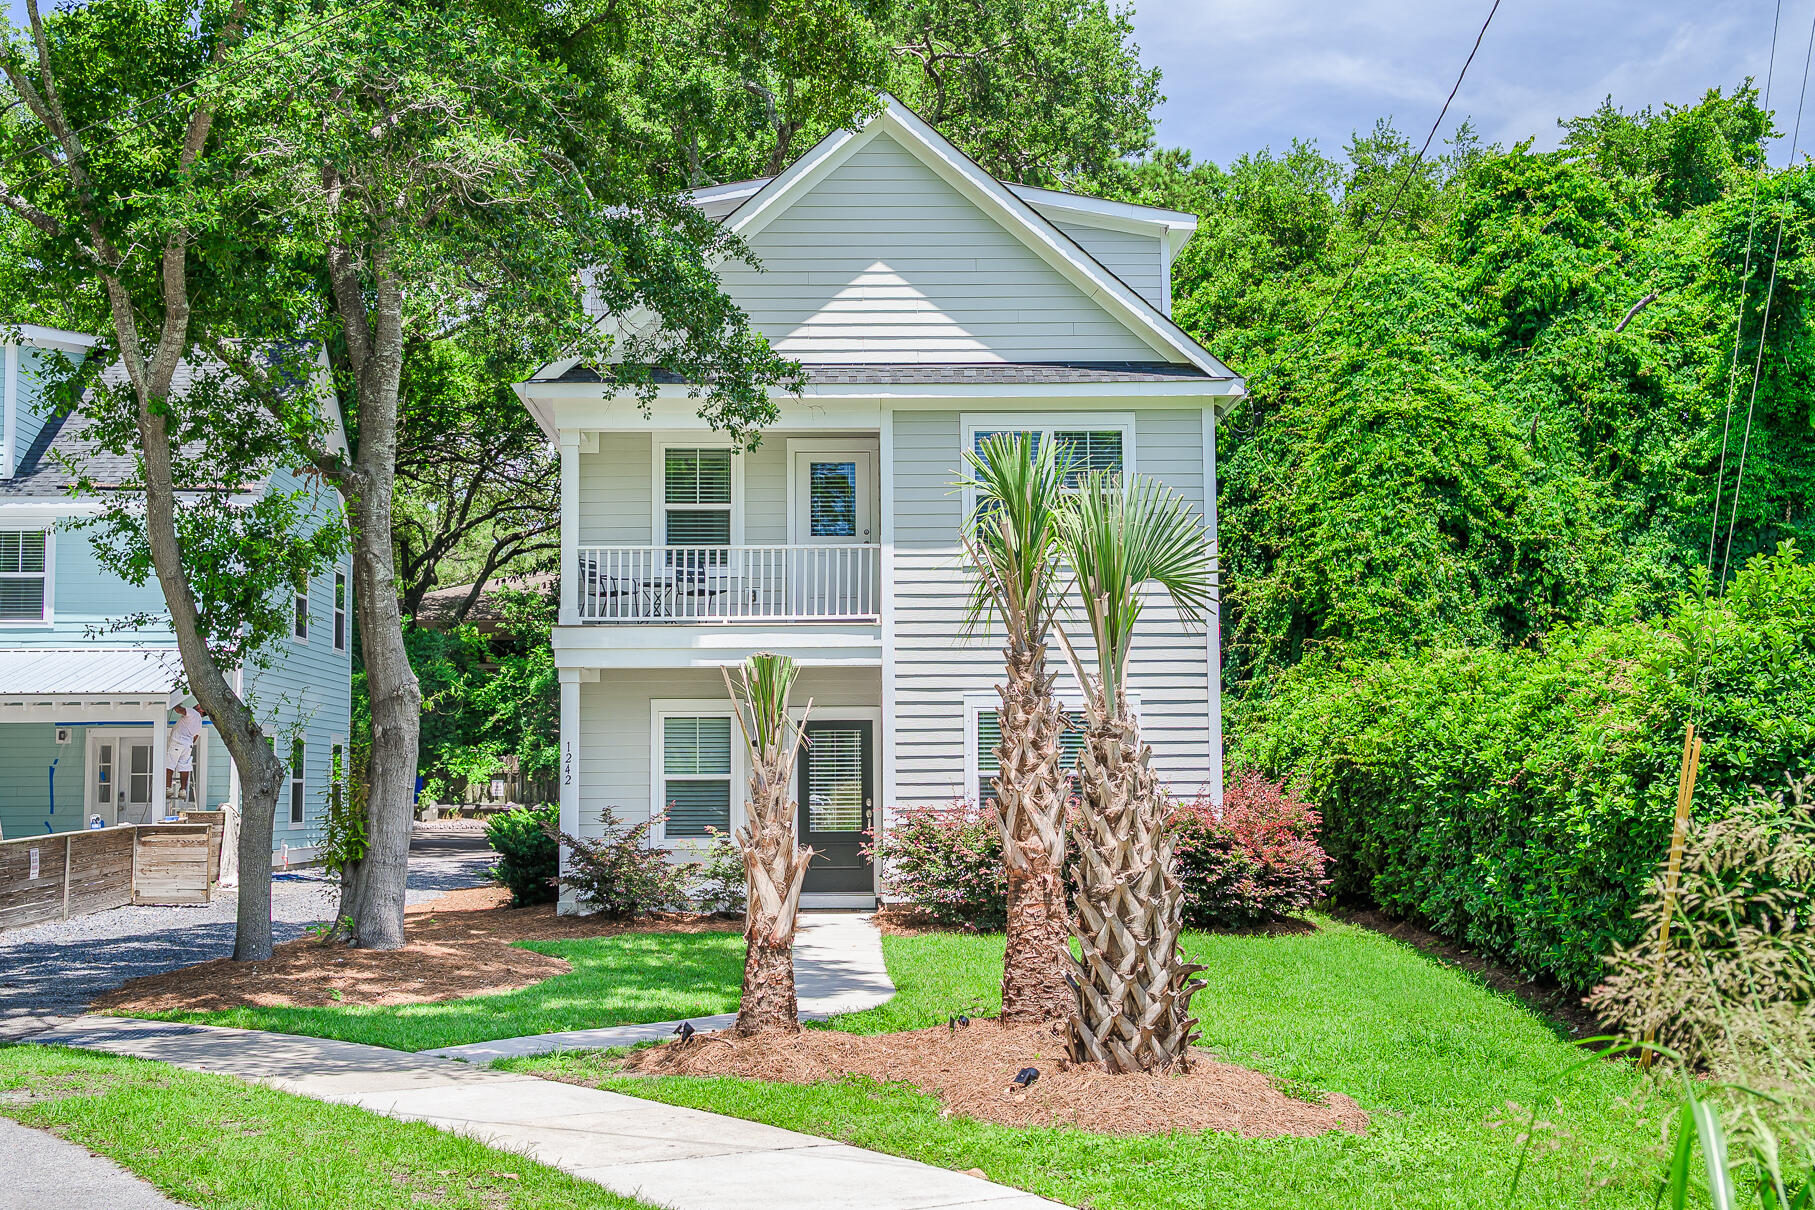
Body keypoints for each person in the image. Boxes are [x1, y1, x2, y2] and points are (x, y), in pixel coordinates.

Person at [164, 703, 208, 803]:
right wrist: (187, 744)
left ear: (202, 711)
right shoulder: (199, 722)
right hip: (187, 745)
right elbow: (195, 737)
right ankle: (183, 790)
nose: (197, 705)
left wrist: (174, 703)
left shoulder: (193, 713)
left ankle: (168, 788)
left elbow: (180, 710)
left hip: (177, 742)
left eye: (199, 705)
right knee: (184, 766)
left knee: (170, 764)